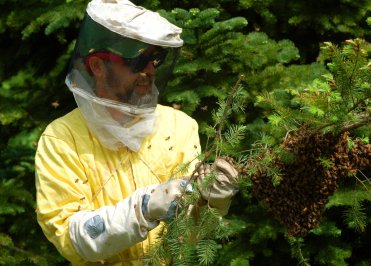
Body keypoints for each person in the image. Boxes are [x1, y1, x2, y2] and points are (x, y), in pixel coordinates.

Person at [35, 0, 239, 265]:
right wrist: (143, 208)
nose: (150, 70)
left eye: (156, 59)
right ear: (97, 66)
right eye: (139, 60)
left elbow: (192, 239)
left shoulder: (180, 126)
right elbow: (71, 238)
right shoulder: (61, 138)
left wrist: (213, 203)